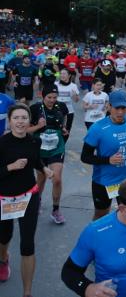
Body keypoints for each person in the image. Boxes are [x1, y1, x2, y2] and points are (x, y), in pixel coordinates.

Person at [0, 105, 53, 295]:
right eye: (16, 118)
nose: (20, 121)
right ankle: (3, 258)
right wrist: (10, 167)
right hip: (4, 199)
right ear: (10, 120)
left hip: (29, 196)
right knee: (4, 236)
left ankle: (27, 293)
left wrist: (43, 169)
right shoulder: (2, 143)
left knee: (27, 244)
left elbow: (35, 160)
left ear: (29, 121)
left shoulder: (33, 141)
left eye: (24, 118)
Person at [81, 90, 126, 220]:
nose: (120, 112)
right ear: (109, 106)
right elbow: (85, 157)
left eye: (123, 108)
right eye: (116, 108)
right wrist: (108, 160)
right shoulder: (97, 128)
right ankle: (97, 239)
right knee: (101, 215)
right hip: (103, 182)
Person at [29, 86, 69, 224]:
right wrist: (38, 127)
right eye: (49, 97)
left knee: (57, 178)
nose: (52, 100)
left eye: (54, 97)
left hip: (56, 148)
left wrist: (63, 129)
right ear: (43, 96)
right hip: (40, 148)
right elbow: (27, 130)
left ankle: (56, 210)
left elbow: (63, 121)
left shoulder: (61, 107)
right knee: (41, 178)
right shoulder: (35, 109)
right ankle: (37, 201)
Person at [55, 68, 80, 143]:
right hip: (57, 110)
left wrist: (74, 96)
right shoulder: (56, 84)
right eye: (61, 73)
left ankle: (63, 144)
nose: (62, 75)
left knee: (67, 129)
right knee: (57, 128)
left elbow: (76, 100)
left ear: (69, 75)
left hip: (69, 110)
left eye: (64, 74)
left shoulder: (73, 86)